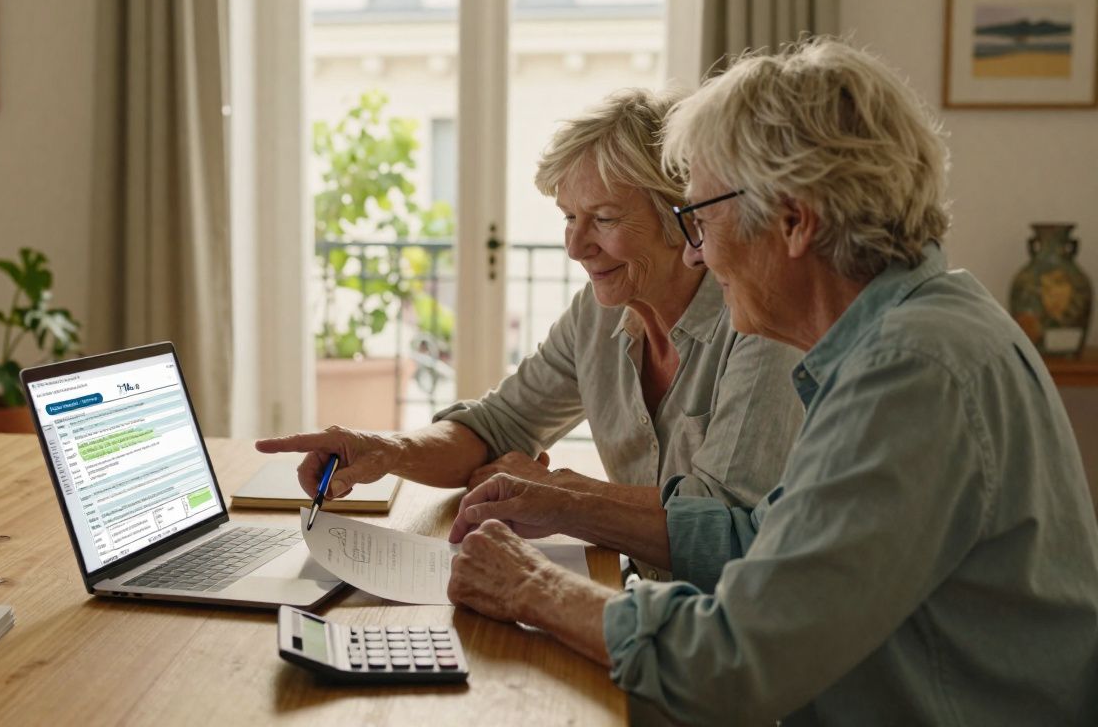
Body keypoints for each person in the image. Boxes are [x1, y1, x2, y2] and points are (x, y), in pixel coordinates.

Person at [445, 39, 1098, 724]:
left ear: (792, 219)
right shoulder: (912, 331)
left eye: (698, 217)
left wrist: (533, 588)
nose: (695, 250)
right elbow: (762, 538)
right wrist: (567, 505)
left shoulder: (910, 371)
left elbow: (732, 662)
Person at [257, 89, 804, 579]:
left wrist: (558, 490)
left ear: (679, 214)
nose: (575, 246)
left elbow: (725, 528)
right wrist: (384, 449)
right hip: (644, 599)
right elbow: (498, 427)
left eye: (605, 219)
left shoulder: (760, 321)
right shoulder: (597, 314)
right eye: (569, 218)